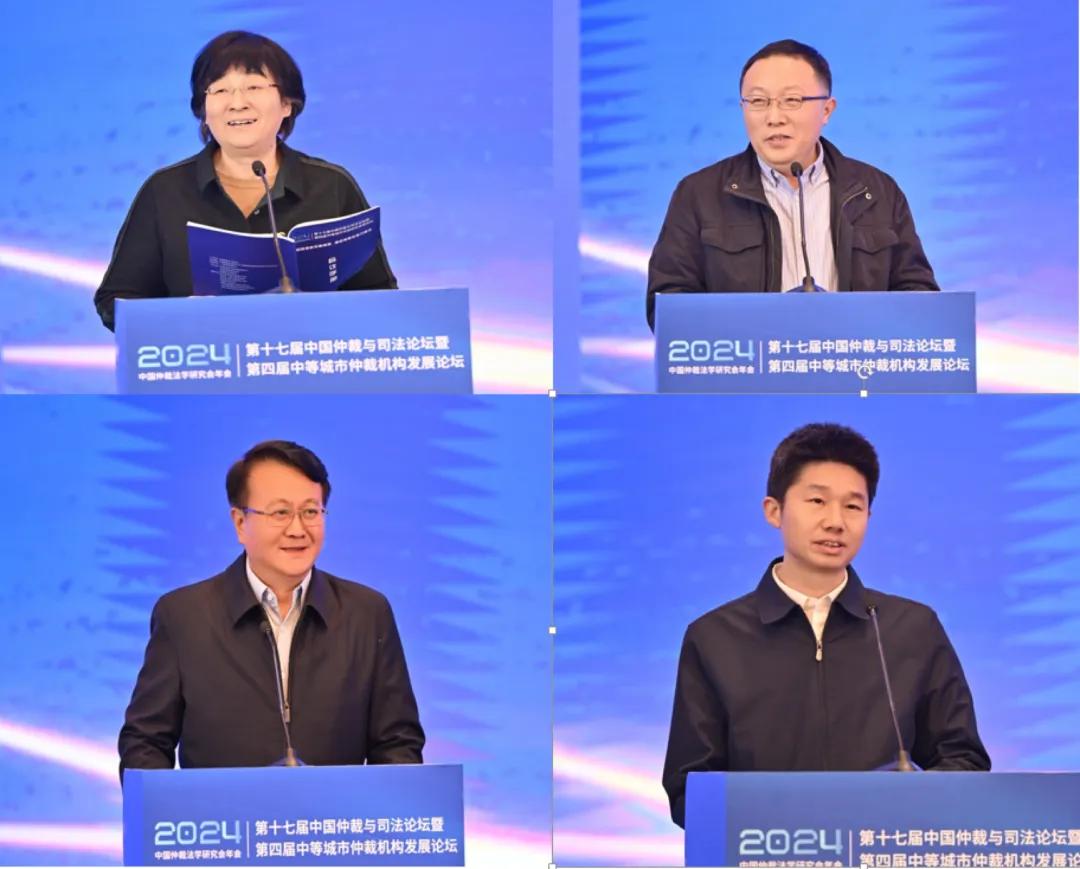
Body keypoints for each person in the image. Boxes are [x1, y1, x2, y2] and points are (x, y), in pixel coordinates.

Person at [661, 423, 989, 827]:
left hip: (879, 847)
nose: (836, 521)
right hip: (768, 850)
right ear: (774, 511)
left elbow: (963, 760)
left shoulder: (912, 629)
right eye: (817, 500)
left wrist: (901, 809)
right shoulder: (715, 637)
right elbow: (690, 790)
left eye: (853, 506)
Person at [118, 440, 424, 775]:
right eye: (280, 513)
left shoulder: (366, 614)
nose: (298, 529)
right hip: (223, 810)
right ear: (240, 523)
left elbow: (397, 744)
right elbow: (145, 743)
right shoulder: (184, 616)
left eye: (311, 512)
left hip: (335, 810)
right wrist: (168, 804)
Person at [94, 31, 396, 331]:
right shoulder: (165, 191)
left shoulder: (331, 186)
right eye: (220, 90)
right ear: (203, 109)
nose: (237, 103)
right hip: (203, 356)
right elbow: (116, 301)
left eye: (253, 86)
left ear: (287, 103)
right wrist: (182, 318)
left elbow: (379, 297)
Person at [646, 39, 939, 329]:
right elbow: (668, 307)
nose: (774, 118)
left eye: (792, 101)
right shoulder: (699, 194)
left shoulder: (876, 191)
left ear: (827, 110)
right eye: (758, 102)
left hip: (851, 358)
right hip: (749, 359)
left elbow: (918, 297)